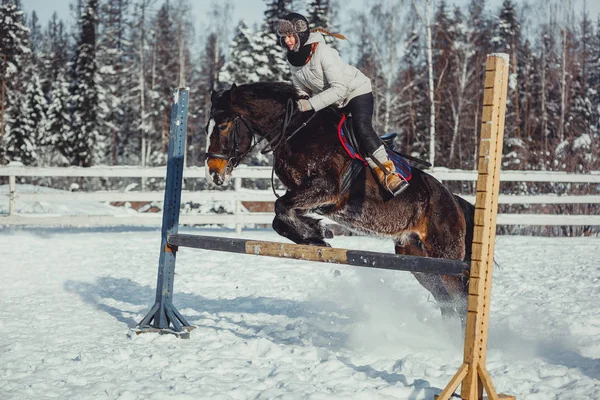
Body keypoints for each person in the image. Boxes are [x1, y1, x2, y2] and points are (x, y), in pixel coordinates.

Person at [276, 12, 407, 196]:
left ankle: (389, 174)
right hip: (333, 102)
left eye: (290, 36)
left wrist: (310, 104)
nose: (288, 41)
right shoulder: (292, 59)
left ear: (301, 34)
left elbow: (339, 89)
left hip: (355, 91)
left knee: (361, 127)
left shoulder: (323, 52)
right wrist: (302, 100)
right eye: (284, 37)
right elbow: (301, 88)